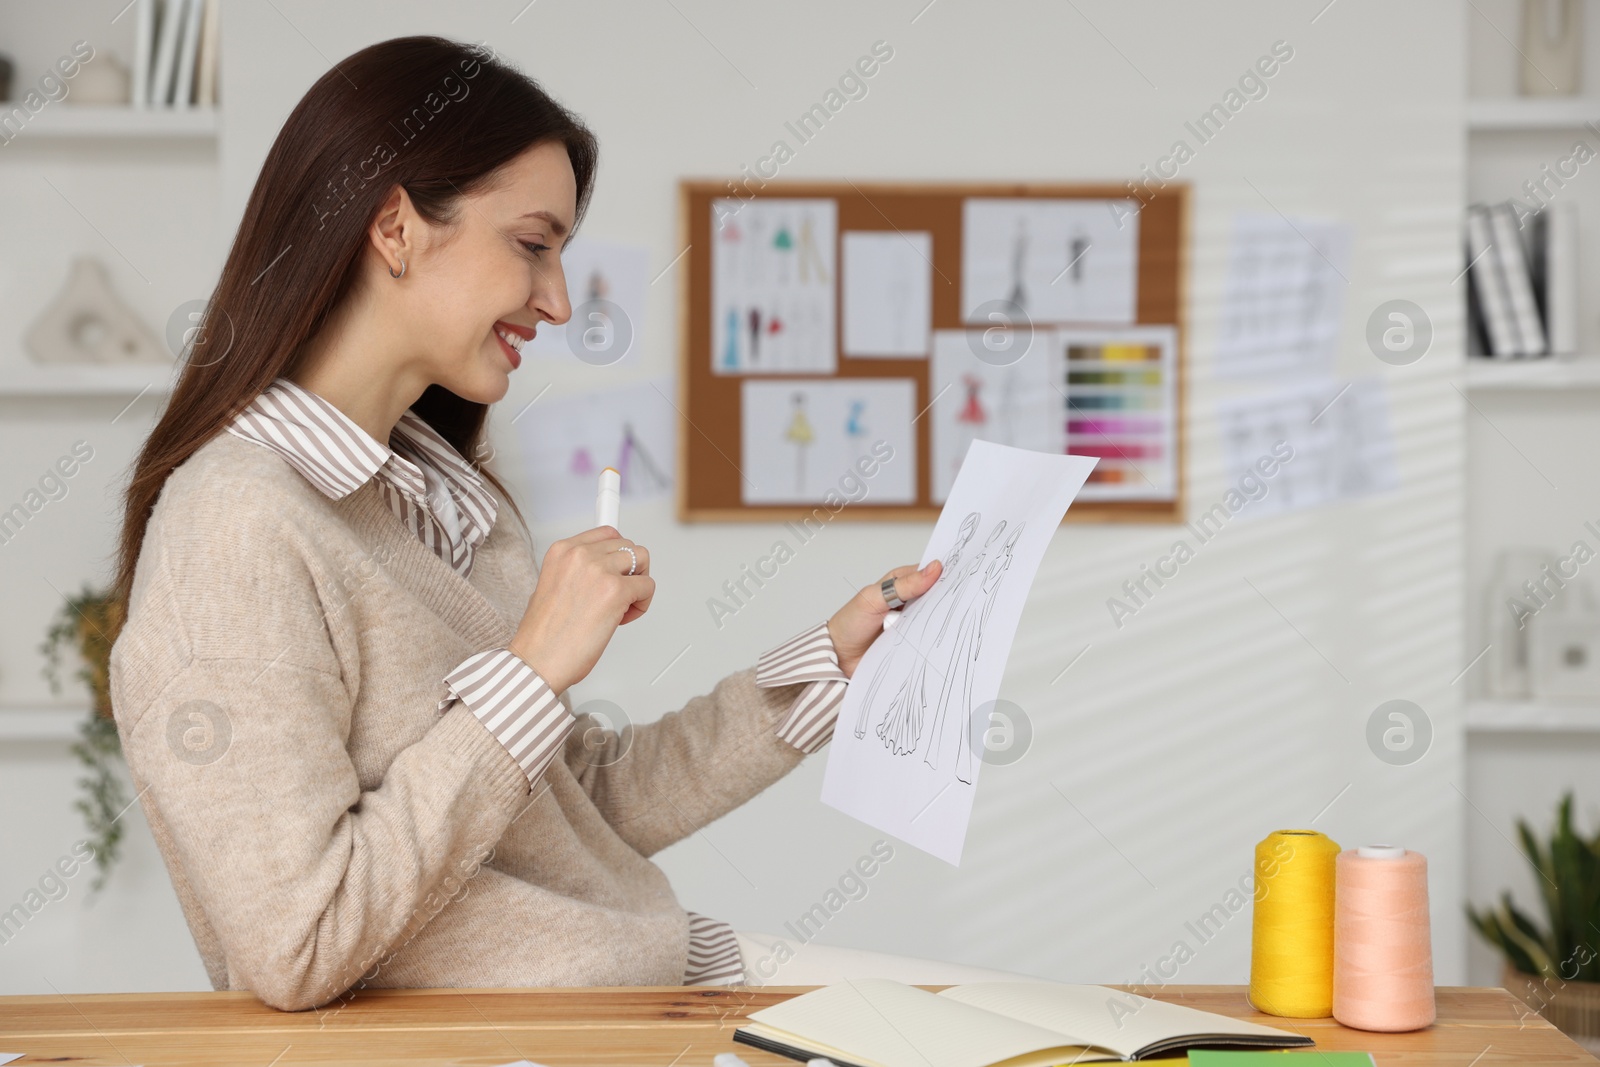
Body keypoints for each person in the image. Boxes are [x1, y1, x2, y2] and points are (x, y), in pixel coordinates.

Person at [105, 35, 1044, 1012]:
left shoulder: (442, 501)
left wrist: (826, 666)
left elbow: (563, 809)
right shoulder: (239, 526)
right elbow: (294, 942)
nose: (556, 298)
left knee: (1036, 1022)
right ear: (395, 227)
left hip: (643, 986)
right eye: (532, 243)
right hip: (562, 1028)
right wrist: (531, 669)